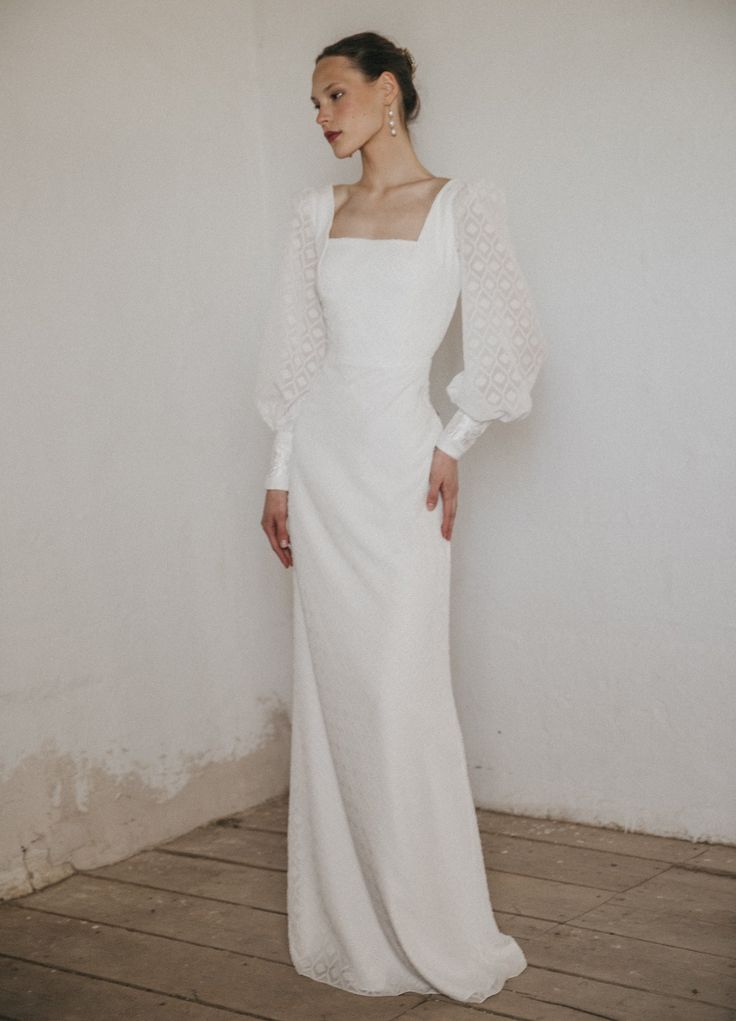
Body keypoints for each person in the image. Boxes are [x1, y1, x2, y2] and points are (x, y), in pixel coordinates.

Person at [255, 30, 547, 1003]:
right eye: (313, 103)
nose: (323, 116)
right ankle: (351, 917)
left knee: (399, 689)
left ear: (388, 94)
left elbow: (511, 344)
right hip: (326, 470)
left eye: (335, 94)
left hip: (398, 470)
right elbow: (298, 360)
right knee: (336, 688)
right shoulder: (313, 213)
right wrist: (281, 472)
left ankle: (429, 917)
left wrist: (451, 441)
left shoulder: (464, 204)